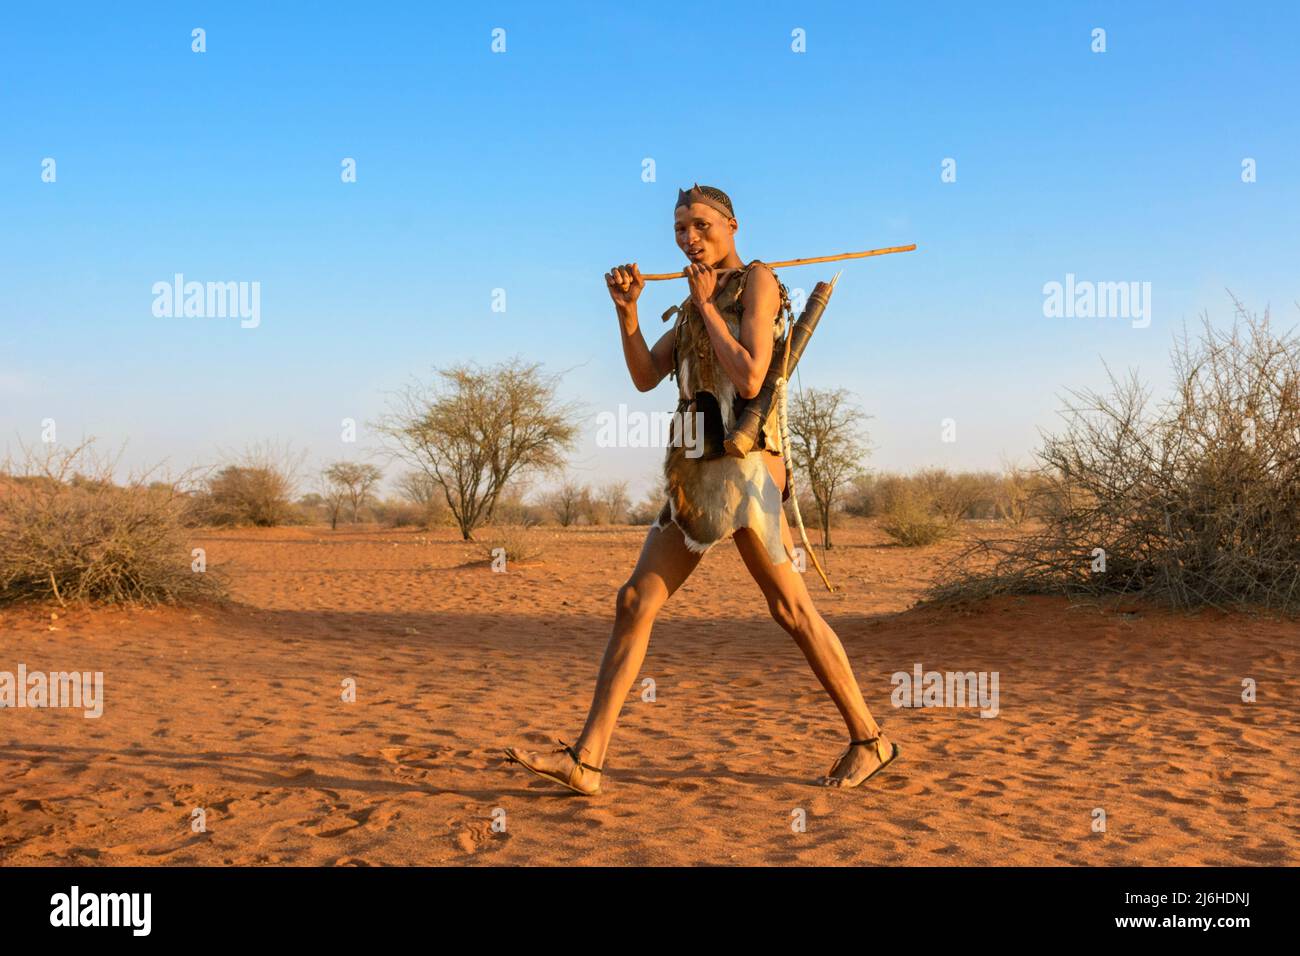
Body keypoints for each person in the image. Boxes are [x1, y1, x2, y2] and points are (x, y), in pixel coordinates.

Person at [504, 184, 899, 795]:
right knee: (635, 600)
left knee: (791, 610)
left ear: (732, 224)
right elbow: (643, 377)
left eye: (700, 224)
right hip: (692, 472)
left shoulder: (757, 281)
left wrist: (710, 307)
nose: (689, 237)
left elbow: (749, 377)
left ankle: (870, 739)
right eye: (679, 227)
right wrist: (627, 311)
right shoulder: (693, 302)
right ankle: (587, 759)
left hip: (745, 474)